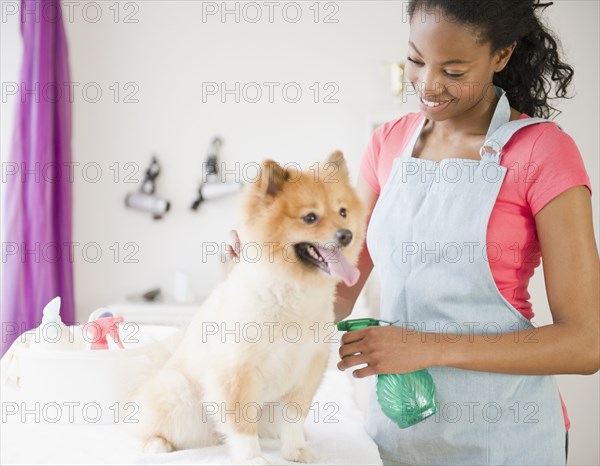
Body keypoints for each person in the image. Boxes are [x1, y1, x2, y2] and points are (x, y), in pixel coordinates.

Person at [227, 1, 599, 464]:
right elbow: (337, 293)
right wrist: (272, 262)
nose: (428, 85)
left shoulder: (544, 152)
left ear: (501, 56)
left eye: (454, 69)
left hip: (506, 437)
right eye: (417, 60)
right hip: (399, 439)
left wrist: (425, 347)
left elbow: (585, 344)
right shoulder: (389, 144)